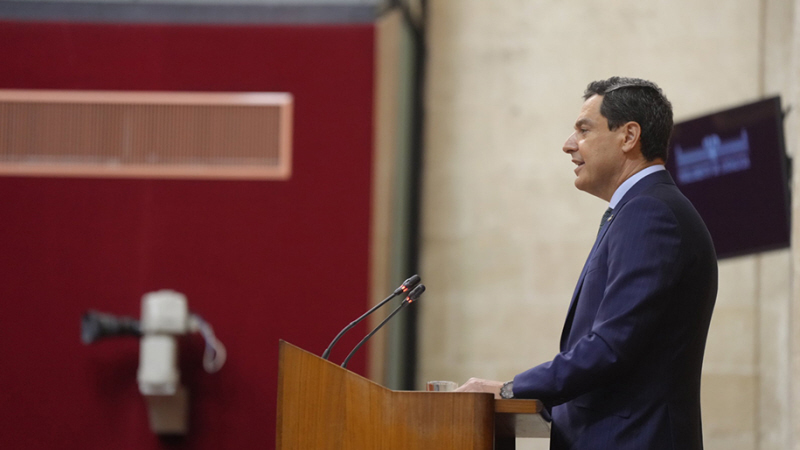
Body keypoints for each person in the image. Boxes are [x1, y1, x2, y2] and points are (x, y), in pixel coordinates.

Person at [455, 76, 718, 449]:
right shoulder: (641, 209)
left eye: (583, 130)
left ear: (628, 136)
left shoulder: (649, 212)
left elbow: (612, 346)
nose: (568, 144)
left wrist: (512, 389)